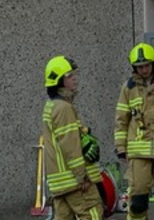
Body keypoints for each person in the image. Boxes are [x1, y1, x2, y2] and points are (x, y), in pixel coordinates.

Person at [115, 43, 154, 220]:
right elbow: (121, 119)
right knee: (138, 203)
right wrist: (121, 148)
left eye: (147, 65)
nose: (144, 69)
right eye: (140, 66)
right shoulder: (128, 88)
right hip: (139, 153)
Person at [41, 55, 104, 220]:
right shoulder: (63, 108)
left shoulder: (52, 106)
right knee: (92, 213)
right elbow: (70, 145)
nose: (74, 79)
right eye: (69, 76)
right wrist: (81, 176)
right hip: (73, 180)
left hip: (60, 182)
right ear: (59, 80)